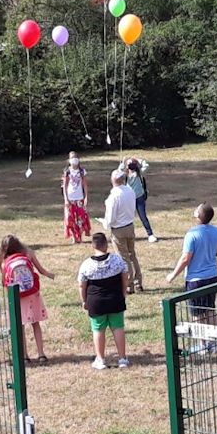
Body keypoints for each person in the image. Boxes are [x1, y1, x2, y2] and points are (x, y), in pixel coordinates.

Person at [165, 203, 217, 353]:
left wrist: (172, 275)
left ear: (198, 216)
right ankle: (214, 344)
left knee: (197, 313)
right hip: (213, 276)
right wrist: (211, 255)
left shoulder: (191, 234)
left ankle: (202, 344)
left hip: (196, 280)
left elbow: (186, 258)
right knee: (210, 309)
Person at [0, 235, 55, 363]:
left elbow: (5, 282)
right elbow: (41, 270)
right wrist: (50, 275)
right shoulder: (28, 253)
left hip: (18, 296)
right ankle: (41, 354)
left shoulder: (4, 262)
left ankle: (25, 356)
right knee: (36, 323)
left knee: (21, 326)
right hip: (33, 293)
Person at [77, 232, 130, 370]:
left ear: (93, 246)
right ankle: (123, 359)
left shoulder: (86, 265)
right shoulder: (117, 260)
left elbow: (82, 285)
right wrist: (123, 292)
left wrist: (84, 300)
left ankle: (100, 360)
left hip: (96, 302)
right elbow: (125, 277)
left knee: (98, 329)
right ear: (106, 245)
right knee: (118, 327)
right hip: (115, 299)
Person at [102, 169, 144, 293]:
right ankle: (138, 282)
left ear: (112, 180)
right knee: (132, 255)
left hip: (119, 229)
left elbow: (110, 218)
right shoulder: (130, 191)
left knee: (124, 258)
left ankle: (129, 284)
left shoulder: (113, 197)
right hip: (130, 226)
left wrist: (105, 224)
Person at [122, 156, 157, 243]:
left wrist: (138, 160)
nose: (131, 166)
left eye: (132, 164)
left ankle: (150, 234)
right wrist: (123, 163)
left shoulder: (139, 173)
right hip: (129, 199)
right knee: (128, 217)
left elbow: (146, 165)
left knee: (143, 216)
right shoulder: (125, 175)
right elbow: (118, 172)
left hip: (139, 198)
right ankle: (128, 235)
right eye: (129, 164)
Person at [62, 151, 90, 244]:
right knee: (71, 218)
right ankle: (74, 237)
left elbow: (85, 185)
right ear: (69, 160)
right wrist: (66, 199)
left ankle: (80, 237)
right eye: (72, 158)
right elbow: (65, 186)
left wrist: (86, 197)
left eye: (75, 157)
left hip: (79, 198)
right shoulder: (67, 172)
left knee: (80, 218)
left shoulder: (82, 171)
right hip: (70, 198)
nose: (74, 159)